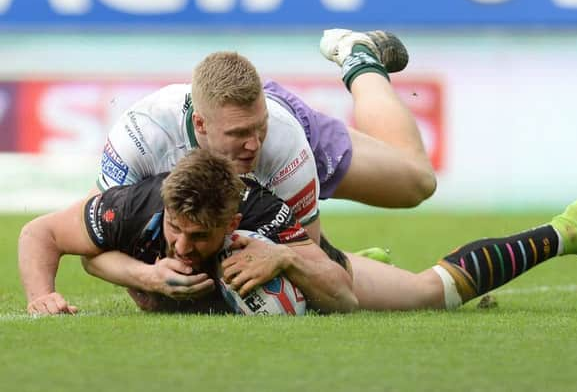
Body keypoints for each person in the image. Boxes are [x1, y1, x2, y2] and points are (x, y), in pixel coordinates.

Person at [19, 150, 577, 315]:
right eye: (175, 234)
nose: (181, 248)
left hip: (314, 265)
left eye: (197, 241)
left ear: (231, 225)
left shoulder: (265, 220)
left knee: (430, 296)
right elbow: (40, 236)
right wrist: (42, 295)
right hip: (283, 269)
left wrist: (285, 261)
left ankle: (570, 230)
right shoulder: (136, 204)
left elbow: (340, 298)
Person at [97, 29, 436, 246]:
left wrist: (326, 262)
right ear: (200, 124)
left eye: (258, 130)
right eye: (240, 134)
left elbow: (307, 252)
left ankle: (359, 58)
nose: (253, 144)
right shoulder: (140, 136)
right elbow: (94, 241)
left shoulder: (281, 138)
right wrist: (146, 276)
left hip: (291, 131)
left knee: (418, 183)